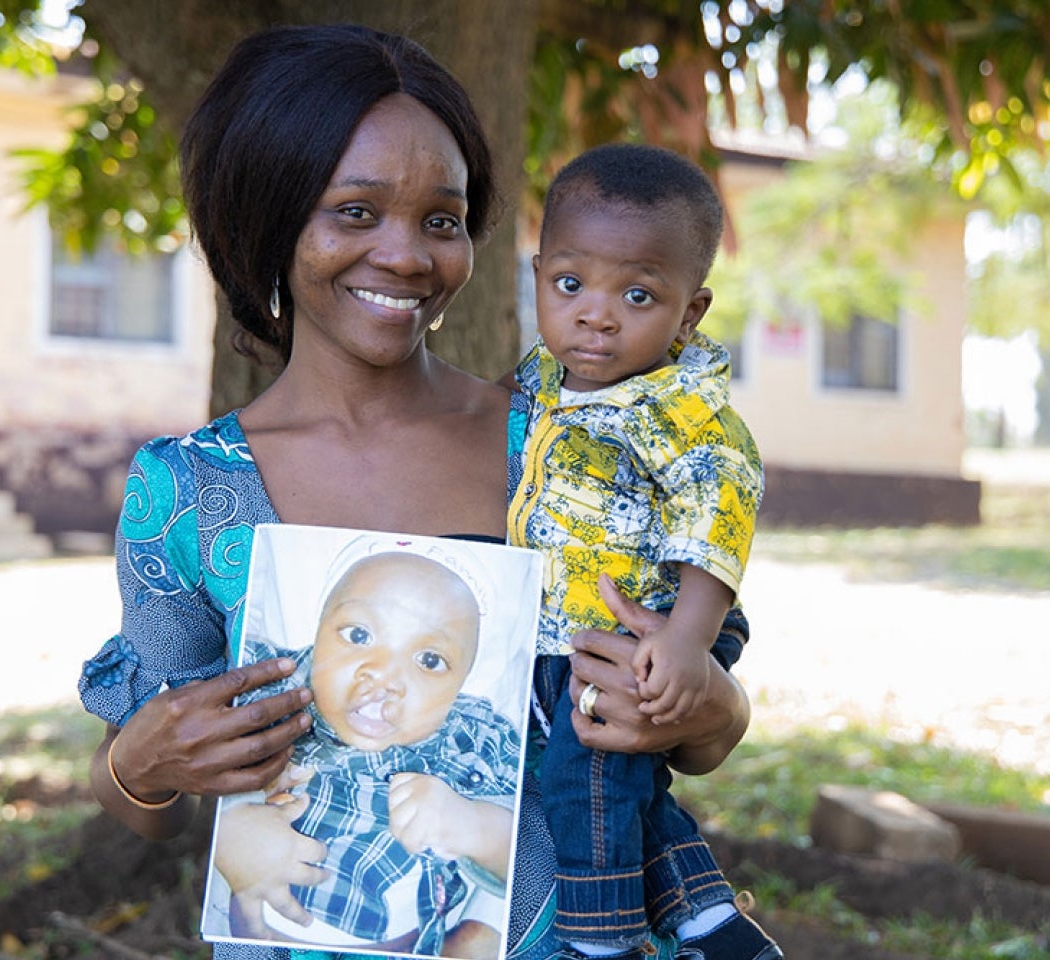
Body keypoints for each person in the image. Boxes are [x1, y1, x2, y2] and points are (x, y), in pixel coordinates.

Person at [77, 23, 757, 960]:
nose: (406, 255)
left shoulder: (560, 445)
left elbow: (694, 730)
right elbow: (138, 804)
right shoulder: (188, 491)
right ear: (269, 220)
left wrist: (715, 710)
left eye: (441, 220)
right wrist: (143, 763)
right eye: (355, 211)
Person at [507, 143, 777, 959]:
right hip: (579, 629)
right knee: (628, 790)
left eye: (636, 294)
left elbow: (719, 513)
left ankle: (601, 940)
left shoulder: (681, 411)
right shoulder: (542, 383)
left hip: (655, 626)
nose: (596, 313)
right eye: (570, 284)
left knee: (583, 782)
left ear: (688, 313)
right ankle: (713, 925)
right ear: (538, 277)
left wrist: (686, 643)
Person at [205, 534, 525, 956]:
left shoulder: (469, 737)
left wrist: (474, 826)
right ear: (316, 637)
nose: (384, 676)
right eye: (358, 634)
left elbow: (521, 848)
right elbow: (209, 753)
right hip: (256, 934)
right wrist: (233, 822)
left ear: (459, 689)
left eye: (430, 660)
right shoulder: (274, 690)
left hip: (408, 943)